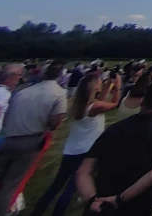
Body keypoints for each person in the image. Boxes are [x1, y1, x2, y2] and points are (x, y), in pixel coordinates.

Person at [75, 78, 152, 216]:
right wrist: (119, 199)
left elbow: (83, 171)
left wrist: (93, 200)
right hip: (136, 204)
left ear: (144, 98)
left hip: (100, 206)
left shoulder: (114, 129)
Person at [32, 73, 120, 216]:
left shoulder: (79, 104)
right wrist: (118, 87)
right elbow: (115, 104)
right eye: (99, 82)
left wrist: (109, 84)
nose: (101, 83)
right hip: (86, 151)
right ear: (93, 87)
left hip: (71, 150)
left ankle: (37, 211)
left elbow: (101, 101)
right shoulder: (94, 107)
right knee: (71, 188)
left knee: (56, 185)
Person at [0, 61, 67, 215]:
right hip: (31, 142)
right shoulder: (59, 93)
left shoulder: (23, 91)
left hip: (9, 138)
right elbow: (55, 123)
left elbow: (8, 116)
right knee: (10, 184)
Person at [0, 64, 24, 136]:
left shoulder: (2, 90)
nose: (21, 77)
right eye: (19, 75)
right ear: (10, 77)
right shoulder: (4, 93)